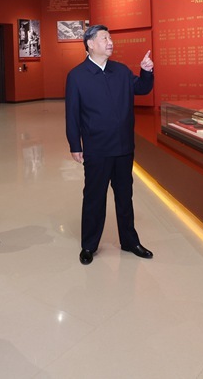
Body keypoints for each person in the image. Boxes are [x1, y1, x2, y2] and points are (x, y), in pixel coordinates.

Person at [65, 24, 155, 266]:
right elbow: (72, 114)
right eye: (104, 38)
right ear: (90, 44)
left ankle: (130, 241)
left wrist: (146, 72)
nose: (110, 42)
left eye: (110, 38)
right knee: (94, 197)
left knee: (125, 196)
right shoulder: (77, 76)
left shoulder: (121, 71)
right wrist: (75, 144)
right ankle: (89, 245)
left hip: (124, 147)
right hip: (97, 149)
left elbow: (142, 88)